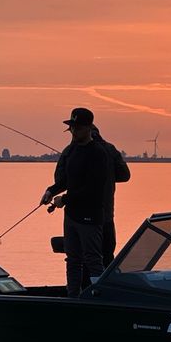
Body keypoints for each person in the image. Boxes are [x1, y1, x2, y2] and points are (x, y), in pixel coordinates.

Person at [40, 108, 109, 297]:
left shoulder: (98, 153)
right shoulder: (72, 151)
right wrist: (51, 191)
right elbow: (67, 181)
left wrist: (65, 199)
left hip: (90, 216)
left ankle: (101, 298)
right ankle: (73, 298)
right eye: (71, 127)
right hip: (71, 216)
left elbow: (93, 188)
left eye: (77, 128)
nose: (73, 131)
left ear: (88, 128)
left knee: (93, 261)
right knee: (73, 260)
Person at [91, 125, 131, 266]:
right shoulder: (111, 149)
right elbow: (125, 175)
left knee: (87, 259)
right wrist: (109, 175)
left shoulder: (77, 151)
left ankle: (86, 287)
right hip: (108, 215)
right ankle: (106, 286)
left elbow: (61, 178)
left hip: (86, 219)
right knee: (107, 256)